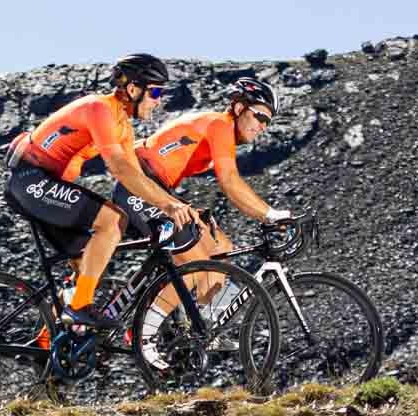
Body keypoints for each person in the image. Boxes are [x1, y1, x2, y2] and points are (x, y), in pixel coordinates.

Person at [4, 54, 200, 332]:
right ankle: (79, 307)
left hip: (42, 184)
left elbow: (137, 177)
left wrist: (172, 204)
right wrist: (168, 207)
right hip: (30, 179)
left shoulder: (123, 127)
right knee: (112, 220)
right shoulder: (100, 109)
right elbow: (119, 168)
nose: (159, 100)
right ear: (133, 89)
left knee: (85, 265)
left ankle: (48, 348)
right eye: (155, 91)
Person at [111, 77, 295, 366]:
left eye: (267, 122)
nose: (262, 126)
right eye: (259, 115)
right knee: (195, 263)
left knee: (220, 246)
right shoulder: (220, 124)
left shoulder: (220, 130)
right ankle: (141, 334)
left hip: (157, 187)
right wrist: (270, 214)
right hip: (140, 184)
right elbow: (230, 181)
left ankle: (206, 322)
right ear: (237, 107)